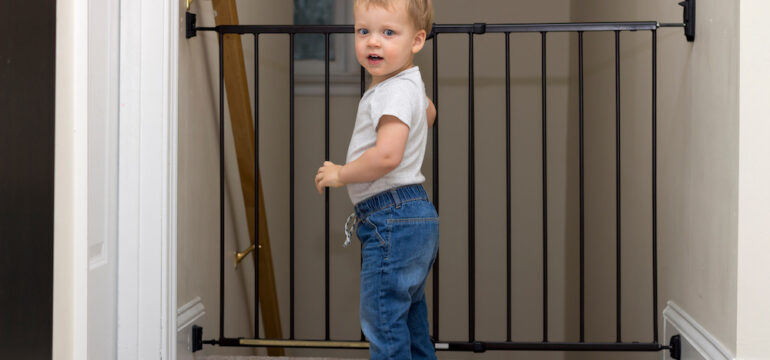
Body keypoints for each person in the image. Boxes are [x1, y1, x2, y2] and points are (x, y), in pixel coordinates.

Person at [313, 0, 438, 358]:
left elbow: (387, 156)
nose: (372, 42)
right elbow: (430, 113)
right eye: (363, 31)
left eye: (388, 33)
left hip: (392, 217)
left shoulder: (392, 91)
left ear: (416, 41)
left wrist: (341, 173)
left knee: (382, 318)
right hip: (414, 216)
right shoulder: (408, 84)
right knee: (411, 318)